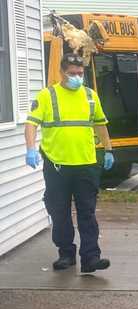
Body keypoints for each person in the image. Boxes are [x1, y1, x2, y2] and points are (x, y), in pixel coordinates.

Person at [25, 53, 114, 273]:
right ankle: (66, 254)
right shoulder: (48, 95)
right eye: (72, 73)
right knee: (59, 211)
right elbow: (31, 123)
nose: (77, 77)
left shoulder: (90, 95)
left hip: (86, 164)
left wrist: (109, 149)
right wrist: (30, 148)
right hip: (57, 165)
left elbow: (100, 124)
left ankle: (91, 258)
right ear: (61, 73)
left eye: (80, 73)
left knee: (87, 213)